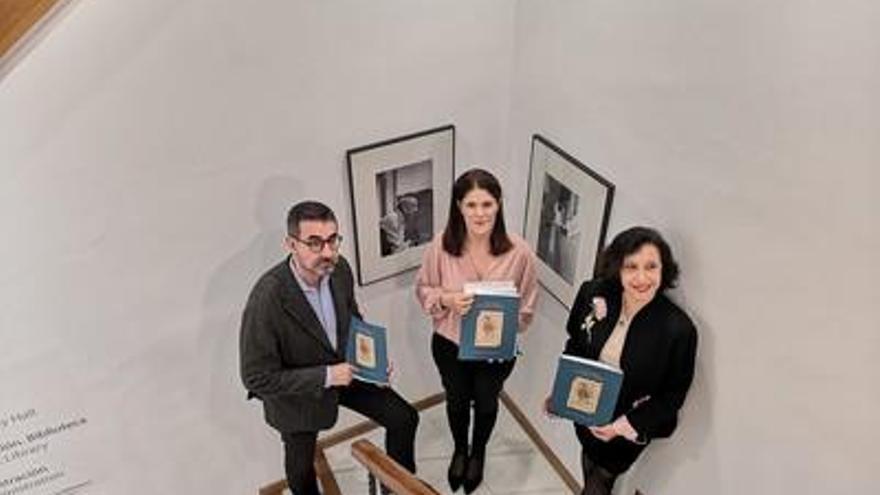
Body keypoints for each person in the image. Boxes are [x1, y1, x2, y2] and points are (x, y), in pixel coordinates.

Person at [240, 200, 419, 495]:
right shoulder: (267, 298)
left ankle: (397, 488)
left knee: (404, 418)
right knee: (300, 470)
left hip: (346, 369)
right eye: (314, 243)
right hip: (297, 393)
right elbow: (256, 377)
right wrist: (327, 376)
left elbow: (351, 318)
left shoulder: (339, 268)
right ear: (291, 244)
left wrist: (371, 358)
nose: (328, 252)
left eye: (333, 240)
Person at [415, 168, 538, 493]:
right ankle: (459, 450)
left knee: (486, 403)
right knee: (456, 402)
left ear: (498, 204)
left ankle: (478, 452)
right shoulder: (440, 246)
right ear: (458, 206)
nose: (480, 213)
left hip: (495, 352)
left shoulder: (520, 252)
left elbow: (527, 307)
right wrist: (446, 299)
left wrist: (506, 326)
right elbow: (423, 290)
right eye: (471, 205)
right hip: (450, 345)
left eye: (487, 204)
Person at [557, 226, 698, 495]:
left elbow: (673, 395)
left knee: (602, 478)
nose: (642, 278)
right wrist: (562, 392)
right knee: (590, 461)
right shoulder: (593, 294)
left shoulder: (678, 329)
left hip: (629, 425)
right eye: (631, 267)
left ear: (663, 269)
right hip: (586, 409)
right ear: (617, 268)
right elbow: (575, 344)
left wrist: (622, 426)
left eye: (651, 267)